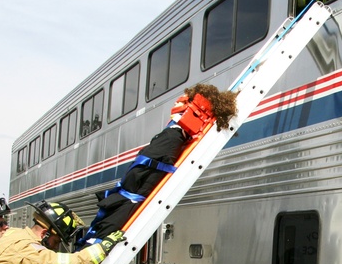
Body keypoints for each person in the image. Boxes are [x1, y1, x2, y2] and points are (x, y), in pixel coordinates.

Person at [80, 83, 238, 244]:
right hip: (124, 200)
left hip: (124, 204)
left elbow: (139, 174)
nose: (176, 104)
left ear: (194, 110)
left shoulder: (170, 139)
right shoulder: (172, 138)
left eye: (182, 102)